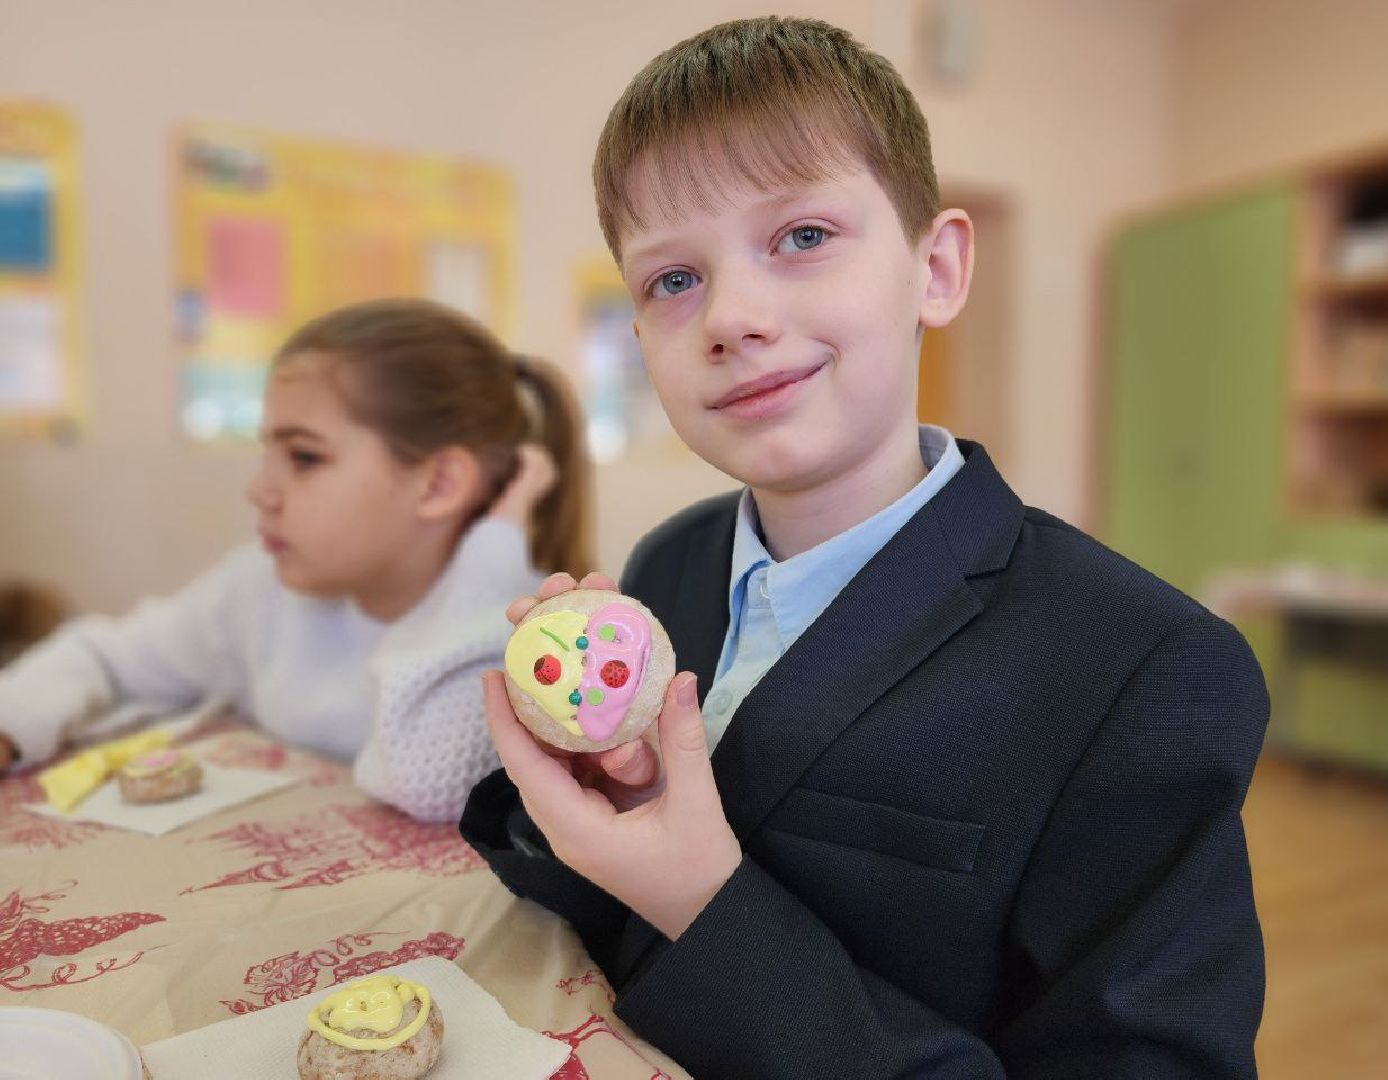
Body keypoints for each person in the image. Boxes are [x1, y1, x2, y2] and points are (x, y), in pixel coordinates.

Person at [461, 16, 1269, 1079]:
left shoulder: (1142, 670)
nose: (733, 316)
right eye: (672, 280)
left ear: (936, 268)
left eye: (801, 237)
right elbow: (603, 934)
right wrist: (581, 794)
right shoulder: (666, 567)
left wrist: (704, 900)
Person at [0, 298, 591, 822]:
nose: (260, 490)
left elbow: (427, 779)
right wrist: (12, 722)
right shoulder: (259, 590)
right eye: (269, 454)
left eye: (305, 458)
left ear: (439, 484)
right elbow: (105, 655)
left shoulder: (527, 633)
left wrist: (493, 555)